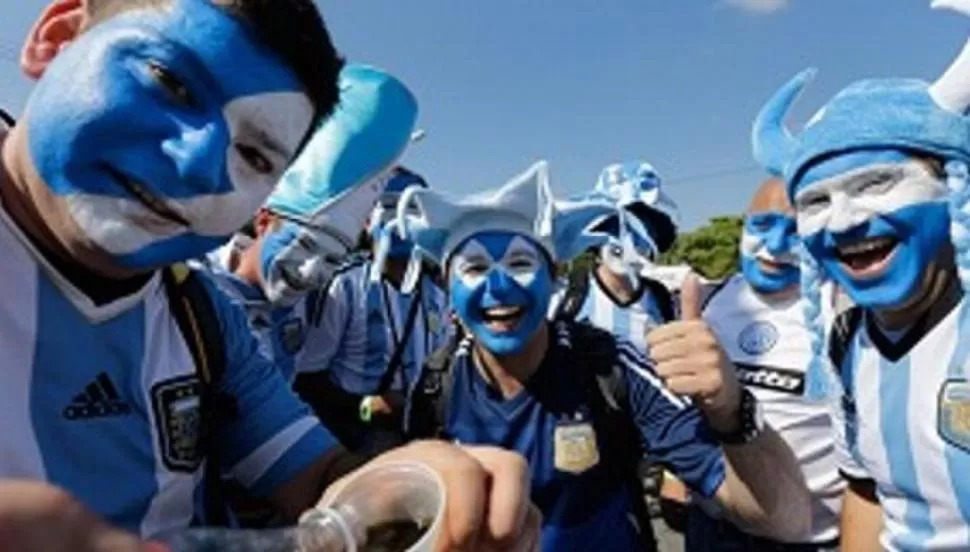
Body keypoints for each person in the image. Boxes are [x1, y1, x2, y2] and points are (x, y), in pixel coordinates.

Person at [0, 0, 538, 549]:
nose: (199, 161)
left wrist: (408, 485)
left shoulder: (202, 318)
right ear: (56, 36)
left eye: (256, 157)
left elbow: (318, 476)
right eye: (172, 85)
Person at [401, 161, 811, 551]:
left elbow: (783, 520)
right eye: (474, 268)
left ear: (554, 275)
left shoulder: (611, 367)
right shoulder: (438, 384)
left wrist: (731, 410)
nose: (500, 288)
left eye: (520, 263)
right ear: (446, 286)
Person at [751, 3, 970, 548]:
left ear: (954, 189)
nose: (846, 220)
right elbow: (868, 495)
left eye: (876, 184)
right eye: (817, 201)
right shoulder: (847, 346)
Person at [198, 63, 408, 384]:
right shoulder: (193, 286)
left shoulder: (302, 306)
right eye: (307, 245)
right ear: (264, 221)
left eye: (332, 260)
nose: (312, 272)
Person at [686, 177, 845, 551]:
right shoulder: (717, 299)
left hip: (808, 538)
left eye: (795, 231)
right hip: (716, 528)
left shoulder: (842, 307)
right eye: (762, 225)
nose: (775, 246)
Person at [294, 167, 450, 454]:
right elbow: (307, 379)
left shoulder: (437, 295)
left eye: (413, 208)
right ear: (367, 219)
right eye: (389, 206)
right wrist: (365, 406)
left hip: (418, 440)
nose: (401, 219)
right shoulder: (345, 286)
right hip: (357, 440)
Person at [553, 160, 680, 348]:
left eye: (639, 230)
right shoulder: (563, 299)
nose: (627, 241)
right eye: (615, 228)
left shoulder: (666, 304)